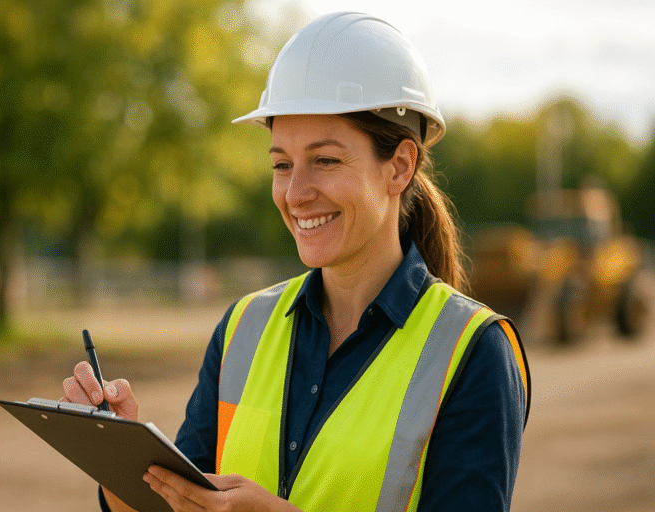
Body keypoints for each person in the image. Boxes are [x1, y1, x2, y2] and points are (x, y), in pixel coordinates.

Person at [61, 11, 531, 512]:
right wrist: (123, 460)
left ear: (399, 166)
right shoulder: (244, 328)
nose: (296, 193)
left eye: (325, 160)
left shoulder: (473, 351)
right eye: (281, 164)